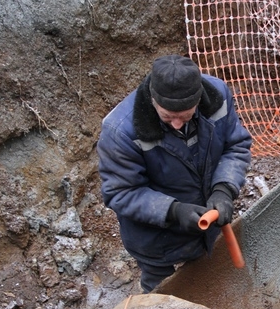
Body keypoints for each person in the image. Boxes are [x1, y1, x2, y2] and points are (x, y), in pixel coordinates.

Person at [96, 55, 252, 293]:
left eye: (185, 116)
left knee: (205, 282)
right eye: (167, 116)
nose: (177, 124)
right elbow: (121, 191)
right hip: (156, 240)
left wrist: (223, 189)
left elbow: (236, 146)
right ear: (153, 98)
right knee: (164, 297)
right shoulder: (120, 131)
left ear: (199, 100)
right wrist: (173, 211)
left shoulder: (217, 96)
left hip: (204, 225)